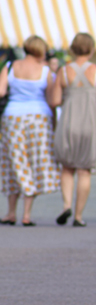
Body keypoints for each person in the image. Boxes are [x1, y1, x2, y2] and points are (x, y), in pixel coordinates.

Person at [50, 33, 96, 227]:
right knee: (85, 171)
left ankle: (66, 205)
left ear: (73, 48)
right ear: (92, 48)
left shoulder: (64, 70)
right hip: (89, 125)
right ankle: (78, 216)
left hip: (68, 123)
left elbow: (54, 101)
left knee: (67, 168)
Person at [0, 36, 60, 226]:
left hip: (12, 117)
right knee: (34, 163)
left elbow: (1, 92)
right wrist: (55, 122)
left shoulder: (10, 66)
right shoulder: (46, 71)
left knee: (13, 162)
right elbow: (51, 100)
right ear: (41, 50)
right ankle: (26, 214)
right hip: (39, 118)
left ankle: (10, 213)